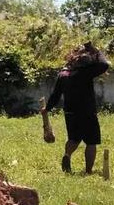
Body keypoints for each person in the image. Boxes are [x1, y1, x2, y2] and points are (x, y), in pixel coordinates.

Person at [44, 42, 110, 174]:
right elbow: (104, 65)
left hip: (70, 113)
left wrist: (47, 108)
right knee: (91, 142)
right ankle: (88, 171)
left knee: (74, 139)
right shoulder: (85, 72)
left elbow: (55, 94)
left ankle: (67, 155)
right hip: (87, 112)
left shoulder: (63, 74)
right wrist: (96, 50)